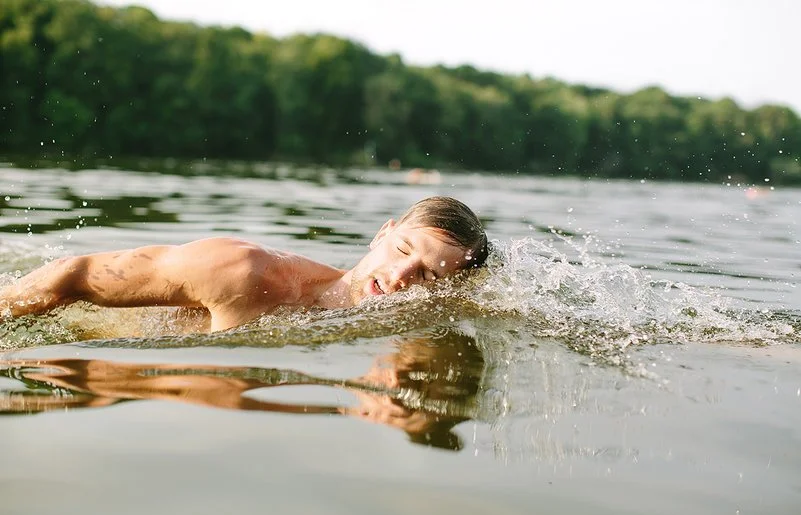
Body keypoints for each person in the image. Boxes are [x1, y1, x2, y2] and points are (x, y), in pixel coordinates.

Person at [1, 196, 489, 332]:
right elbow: (73, 274)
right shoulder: (243, 271)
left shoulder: (405, 337)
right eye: (402, 251)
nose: (401, 278)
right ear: (382, 234)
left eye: (429, 275)